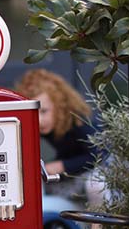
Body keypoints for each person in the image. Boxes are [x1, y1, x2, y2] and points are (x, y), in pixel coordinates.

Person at [15, 68, 103, 206]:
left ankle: (102, 226)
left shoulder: (77, 121)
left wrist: (61, 165)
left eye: (44, 111)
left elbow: (99, 154)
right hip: (78, 173)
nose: (39, 120)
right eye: (33, 113)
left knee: (97, 185)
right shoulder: (48, 127)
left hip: (106, 169)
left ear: (59, 105)